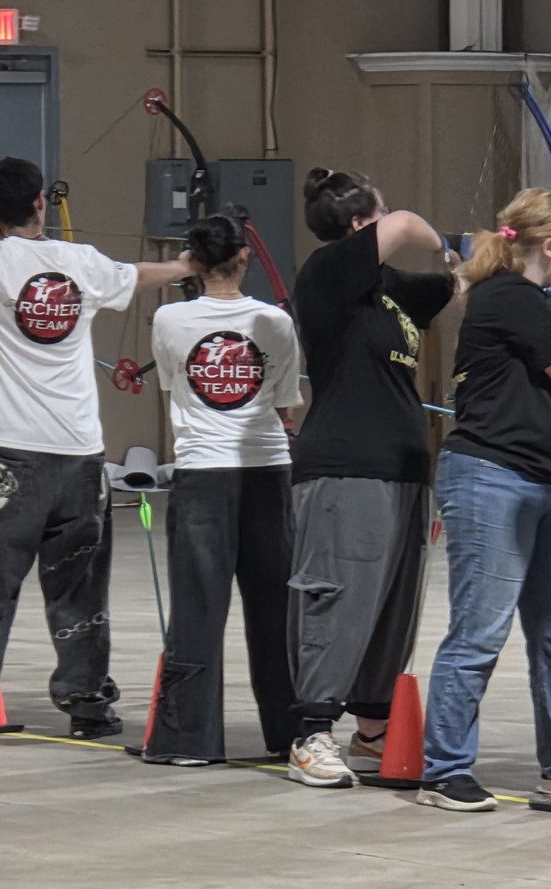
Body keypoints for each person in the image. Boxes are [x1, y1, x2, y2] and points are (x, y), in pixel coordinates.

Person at [0, 155, 198, 741]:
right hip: (79, 457)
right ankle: (89, 707)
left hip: (10, 461)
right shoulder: (79, 263)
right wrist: (183, 265)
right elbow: (137, 275)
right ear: (40, 203)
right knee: (79, 591)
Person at [287, 168, 455, 788]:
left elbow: (456, 291)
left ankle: (372, 730)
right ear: (362, 226)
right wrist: (446, 243)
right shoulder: (328, 275)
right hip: (344, 466)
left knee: (390, 611)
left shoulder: (392, 292)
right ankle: (310, 732)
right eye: (376, 217)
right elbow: (410, 224)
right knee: (339, 598)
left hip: (403, 469)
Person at [139, 215, 301, 766]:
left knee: (198, 609)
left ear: (194, 263)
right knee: (273, 608)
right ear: (244, 259)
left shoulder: (168, 318)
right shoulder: (274, 320)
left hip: (204, 474)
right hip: (266, 471)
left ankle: (188, 741)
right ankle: (290, 734)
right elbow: (287, 403)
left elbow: (173, 384)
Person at [416, 190, 551, 812]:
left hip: (539, 482)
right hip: (493, 476)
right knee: (481, 631)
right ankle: (444, 769)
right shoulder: (509, 298)